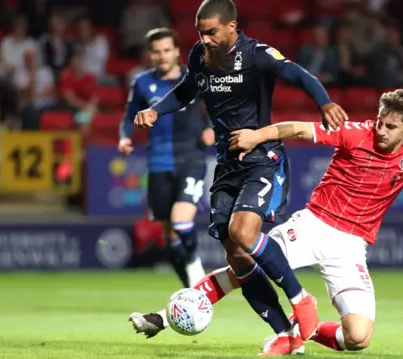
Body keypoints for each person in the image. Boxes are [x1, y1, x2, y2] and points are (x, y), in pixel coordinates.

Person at [130, 88, 403, 355]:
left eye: (391, 126)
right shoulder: (354, 133)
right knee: (243, 261)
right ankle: (167, 316)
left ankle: (302, 330)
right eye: (380, 120)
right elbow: (296, 128)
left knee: (358, 338)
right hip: (312, 225)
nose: (380, 129)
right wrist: (259, 135)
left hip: (351, 248)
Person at [129, 0, 349, 355]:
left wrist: (323, 102)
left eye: (212, 32)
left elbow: (298, 74)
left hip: (263, 160)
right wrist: (156, 110)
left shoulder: (257, 54)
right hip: (227, 166)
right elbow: (187, 90)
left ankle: (300, 298)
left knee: (244, 232)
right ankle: (286, 334)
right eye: (200, 32)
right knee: (237, 256)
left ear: (233, 27)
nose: (205, 39)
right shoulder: (199, 56)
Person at [118, 28, 214, 288]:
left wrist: (212, 130)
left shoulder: (195, 77)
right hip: (158, 164)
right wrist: (125, 137)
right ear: (150, 55)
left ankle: (197, 276)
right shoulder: (141, 83)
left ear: (176, 52)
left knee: (182, 220)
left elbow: (219, 106)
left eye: (167, 50)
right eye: (157, 51)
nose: (162, 56)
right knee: (169, 234)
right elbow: (129, 115)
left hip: (191, 159)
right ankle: (191, 293)